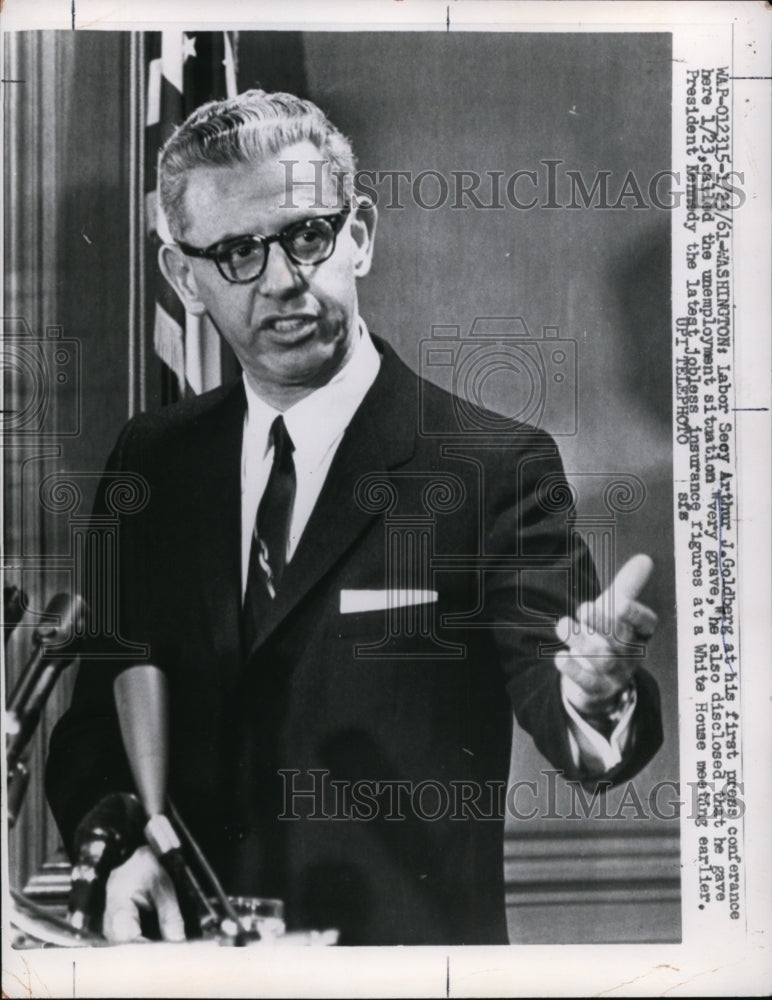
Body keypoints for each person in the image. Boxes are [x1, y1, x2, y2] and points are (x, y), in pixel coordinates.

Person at [46, 89, 662, 946]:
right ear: (183, 278)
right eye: (234, 253)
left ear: (359, 234)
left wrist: (597, 695)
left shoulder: (492, 467)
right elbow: (91, 728)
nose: (282, 281)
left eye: (306, 236)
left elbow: (565, 710)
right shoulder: (151, 463)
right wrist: (118, 853)